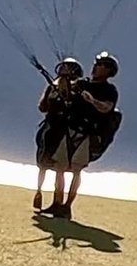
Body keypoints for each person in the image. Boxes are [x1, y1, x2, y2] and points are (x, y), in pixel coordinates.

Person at [32, 52, 121, 219]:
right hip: (69, 130)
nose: (95, 67)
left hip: (87, 134)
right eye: (96, 64)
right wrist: (63, 79)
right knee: (60, 168)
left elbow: (106, 108)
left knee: (76, 170)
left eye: (100, 65)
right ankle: (56, 203)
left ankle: (67, 206)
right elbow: (66, 94)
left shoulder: (109, 90)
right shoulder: (81, 83)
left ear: (108, 71)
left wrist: (92, 101)